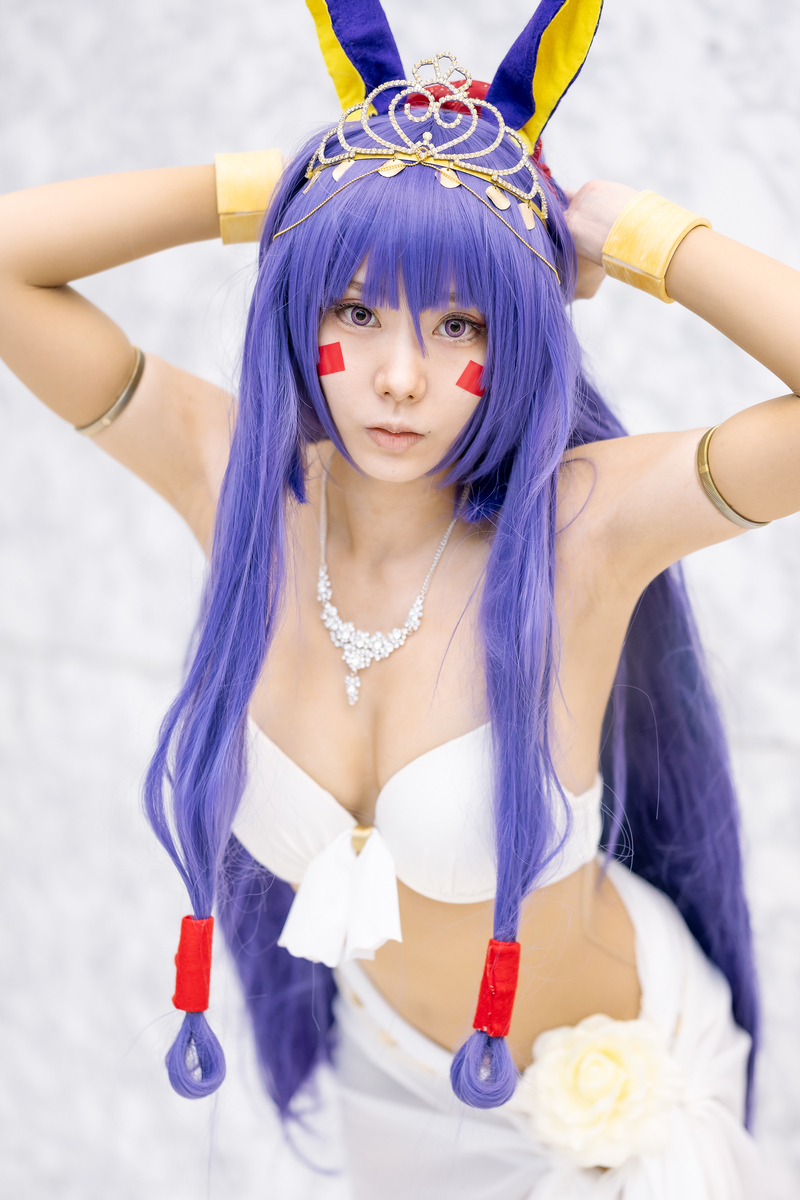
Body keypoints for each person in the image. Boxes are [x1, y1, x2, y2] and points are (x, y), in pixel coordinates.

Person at [0, 0, 793, 1194]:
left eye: (456, 321)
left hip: (612, 1105)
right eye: (357, 309)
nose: (400, 376)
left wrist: (642, 236)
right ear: (302, 308)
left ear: (515, 337)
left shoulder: (578, 529)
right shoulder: (239, 486)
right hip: (391, 1087)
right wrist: (264, 190)